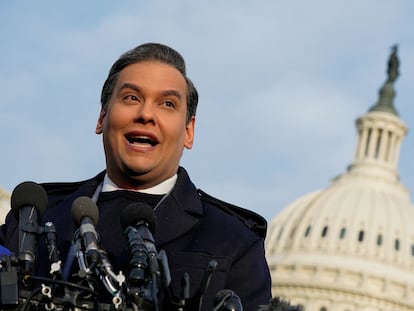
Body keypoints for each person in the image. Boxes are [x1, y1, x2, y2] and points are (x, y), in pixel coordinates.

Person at [0, 43, 272, 310]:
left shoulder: (234, 240)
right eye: (131, 98)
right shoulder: (34, 218)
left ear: (189, 131)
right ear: (101, 117)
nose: (145, 114)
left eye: (167, 103)